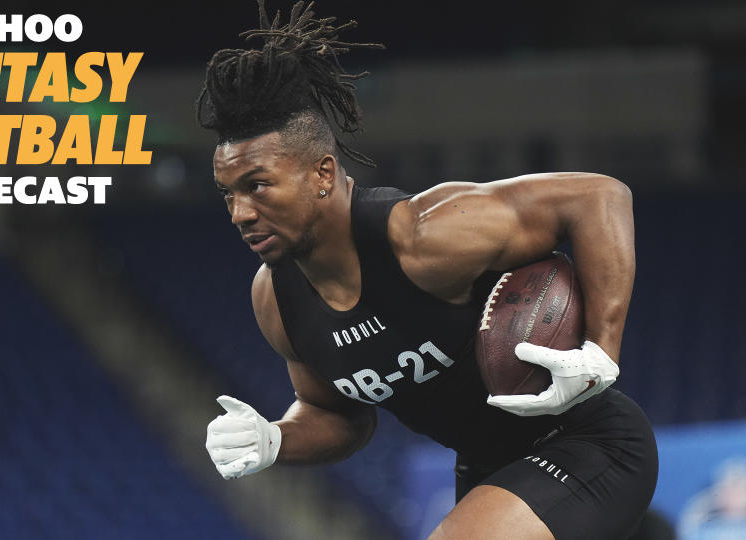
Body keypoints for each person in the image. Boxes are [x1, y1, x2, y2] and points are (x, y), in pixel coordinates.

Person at [201, 2, 658, 539]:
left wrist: (602, 350)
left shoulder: (421, 236)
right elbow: (337, 418)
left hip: (588, 442)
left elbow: (597, 196)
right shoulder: (276, 303)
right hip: (490, 467)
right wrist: (274, 439)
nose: (240, 212)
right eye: (228, 194)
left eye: (257, 186)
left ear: (323, 174)